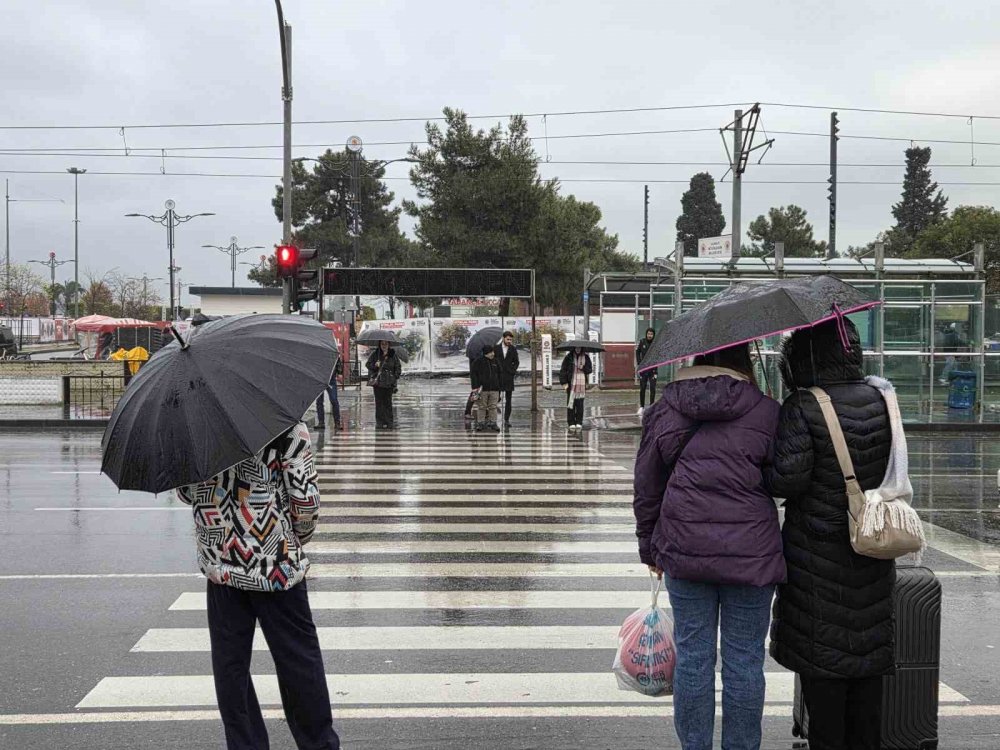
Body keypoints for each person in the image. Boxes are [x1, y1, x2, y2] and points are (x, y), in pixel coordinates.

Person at [633, 342, 784, 750]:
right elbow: (783, 480)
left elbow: (647, 486)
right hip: (751, 556)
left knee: (694, 659)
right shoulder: (766, 410)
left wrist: (650, 548)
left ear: (697, 358)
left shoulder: (666, 408)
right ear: (745, 362)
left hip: (685, 551)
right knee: (745, 663)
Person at [767, 318, 894, 750]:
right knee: (867, 667)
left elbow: (787, 479)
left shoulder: (803, 406)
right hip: (873, 546)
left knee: (825, 671)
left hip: (816, 559)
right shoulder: (883, 399)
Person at [175, 421, 340, 750]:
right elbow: (305, 503)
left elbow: (185, 491)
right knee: (298, 662)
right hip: (275, 566)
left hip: (222, 565)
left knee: (230, 667)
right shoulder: (285, 426)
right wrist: (291, 539)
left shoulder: (196, 429)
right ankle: (318, 744)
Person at [366, 340, 402, 429]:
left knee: (388, 403)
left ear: (389, 345)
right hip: (378, 382)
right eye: (382, 344)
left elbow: (398, 367)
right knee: (379, 403)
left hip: (389, 382)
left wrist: (395, 377)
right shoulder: (375, 354)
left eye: (386, 344)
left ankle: (389, 422)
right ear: (379, 344)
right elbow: (368, 364)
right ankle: (380, 422)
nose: (384, 345)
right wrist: (375, 365)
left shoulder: (393, 354)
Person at [559, 347, 592, 430]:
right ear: (574, 348)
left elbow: (589, 370)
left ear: (581, 349)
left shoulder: (586, 357)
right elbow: (563, 370)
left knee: (580, 404)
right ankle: (571, 422)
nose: (578, 349)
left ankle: (579, 422)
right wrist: (564, 383)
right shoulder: (569, 357)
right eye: (576, 348)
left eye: (579, 348)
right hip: (571, 384)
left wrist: (583, 368)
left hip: (581, 385)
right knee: (571, 403)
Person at [470, 345, 502, 432]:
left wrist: (500, 386)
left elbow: (500, 374)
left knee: (493, 407)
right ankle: (480, 423)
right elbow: (473, 375)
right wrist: (475, 387)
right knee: (482, 406)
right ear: (485, 353)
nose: (493, 354)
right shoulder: (478, 362)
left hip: (495, 388)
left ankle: (493, 423)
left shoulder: (496, 361)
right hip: (482, 389)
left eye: (493, 352)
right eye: (490, 352)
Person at [495, 331, 520, 428]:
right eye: (508, 339)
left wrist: (512, 371)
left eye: (510, 339)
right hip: (498, 376)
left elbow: (516, 362)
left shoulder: (513, 349)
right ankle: (492, 418)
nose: (509, 341)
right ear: (503, 338)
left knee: (509, 400)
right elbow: (493, 359)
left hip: (509, 377)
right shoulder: (496, 348)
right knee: (495, 397)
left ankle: (506, 420)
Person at [316, 356, 343, 430]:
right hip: (319, 378)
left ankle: (337, 422)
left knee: (334, 400)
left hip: (330, 378)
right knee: (319, 401)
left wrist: (339, 372)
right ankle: (321, 422)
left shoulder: (330, 347)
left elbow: (337, 358)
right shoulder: (316, 350)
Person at [636, 327, 657, 413]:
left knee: (652, 388)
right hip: (644, 369)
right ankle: (641, 406)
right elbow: (637, 352)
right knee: (643, 387)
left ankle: (652, 406)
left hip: (653, 369)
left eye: (651, 334)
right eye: (648, 334)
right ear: (646, 334)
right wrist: (639, 363)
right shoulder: (642, 342)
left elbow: (658, 354)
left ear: (653, 335)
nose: (650, 335)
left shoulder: (655, 343)